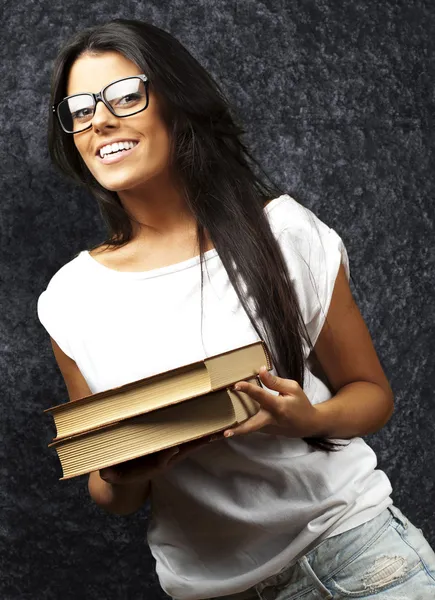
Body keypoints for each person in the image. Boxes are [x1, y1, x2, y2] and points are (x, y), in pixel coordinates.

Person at [37, 17, 435, 600]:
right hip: (210, 588)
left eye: (125, 96)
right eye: (79, 109)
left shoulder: (283, 233)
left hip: (353, 556)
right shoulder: (70, 297)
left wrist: (310, 418)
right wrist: (126, 471)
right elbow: (109, 489)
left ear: (175, 104)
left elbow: (370, 393)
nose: (99, 119)